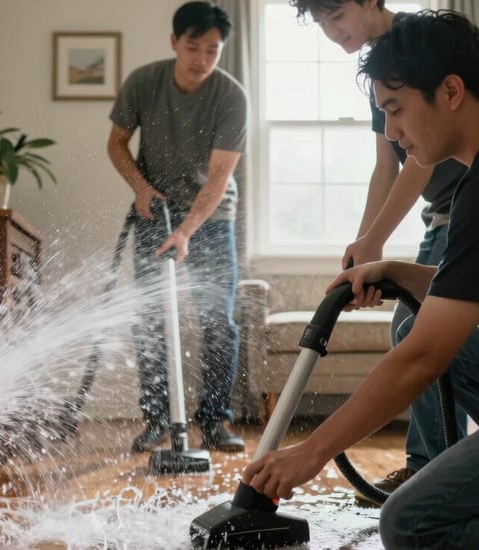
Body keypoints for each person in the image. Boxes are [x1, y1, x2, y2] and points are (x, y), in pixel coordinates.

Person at [244, 10, 479, 548]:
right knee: (430, 328)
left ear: (450, 91)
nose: (392, 134)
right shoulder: (469, 190)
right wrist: (398, 271)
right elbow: (461, 298)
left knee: (410, 521)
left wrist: (311, 452)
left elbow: (423, 358)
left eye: (396, 111)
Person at [290, 0, 468, 503]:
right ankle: (432, 466)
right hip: (443, 213)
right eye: (321, 23)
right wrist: (367, 243)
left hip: (459, 207)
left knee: (425, 332)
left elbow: (419, 159)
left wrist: (376, 240)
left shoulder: (417, 49)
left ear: (372, 1)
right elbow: (387, 160)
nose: (332, 31)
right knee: (415, 325)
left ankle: (432, 470)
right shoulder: (379, 68)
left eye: (337, 15)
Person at [107, 1, 248, 453]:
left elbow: (220, 175)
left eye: (213, 50)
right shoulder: (144, 82)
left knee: (219, 320)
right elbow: (115, 144)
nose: (202, 60)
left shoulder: (230, 97)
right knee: (149, 318)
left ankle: (214, 420)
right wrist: (140, 188)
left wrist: (186, 231)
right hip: (155, 213)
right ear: (174, 42)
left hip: (210, 219)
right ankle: (156, 419)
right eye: (193, 47)